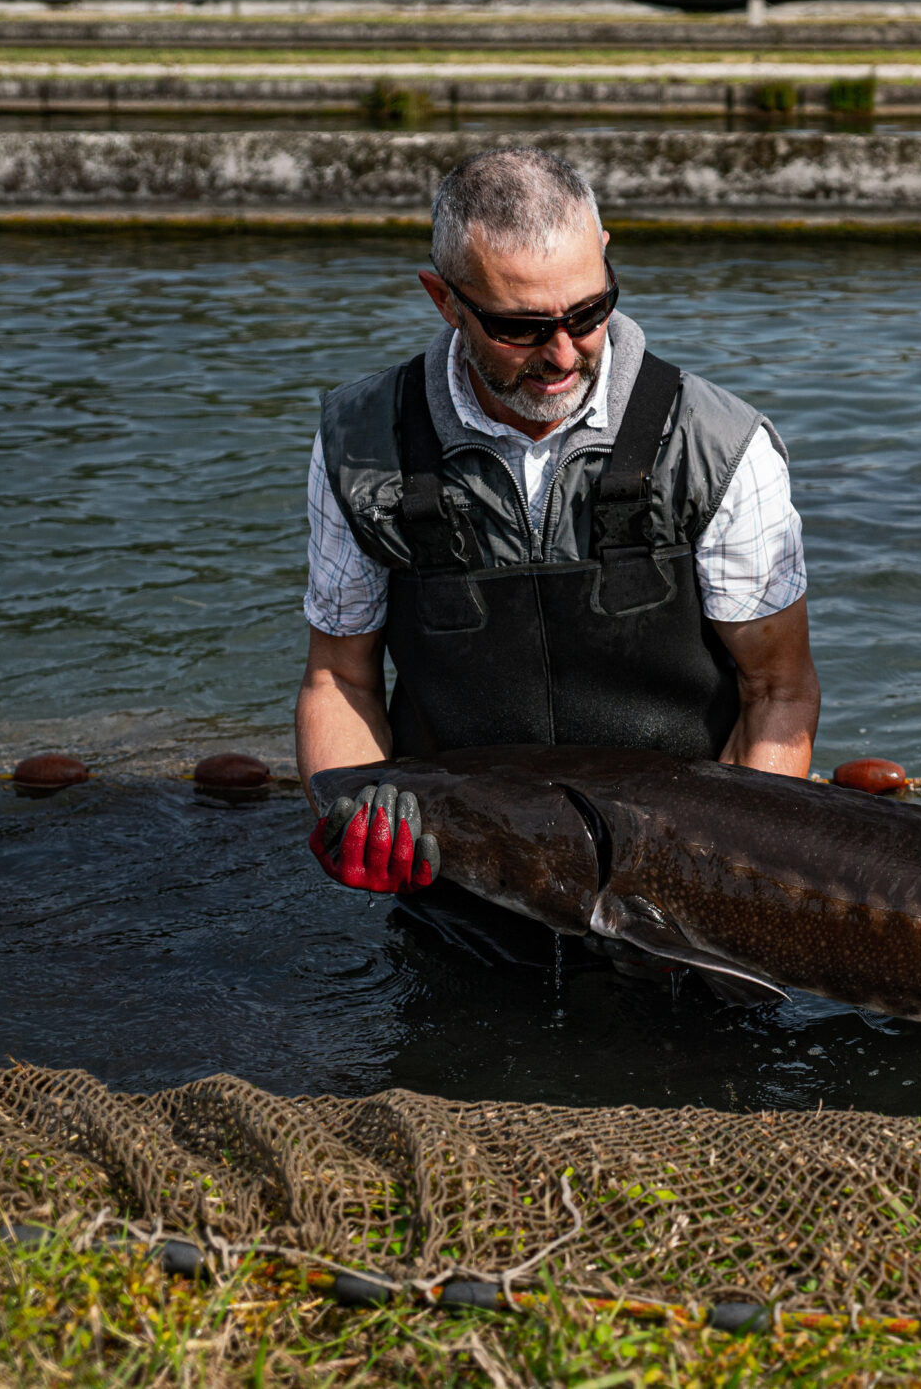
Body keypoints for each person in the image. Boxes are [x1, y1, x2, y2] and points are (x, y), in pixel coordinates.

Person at [297, 147, 818, 894]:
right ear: (444, 301)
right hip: (459, 879)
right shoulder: (361, 441)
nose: (565, 354)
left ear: (605, 260)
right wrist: (351, 812)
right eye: (522, 328)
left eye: (589, 312)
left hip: (677, 889)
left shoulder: (720, 443)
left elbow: (779, 692)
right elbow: (339, 678)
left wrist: (714, 883)